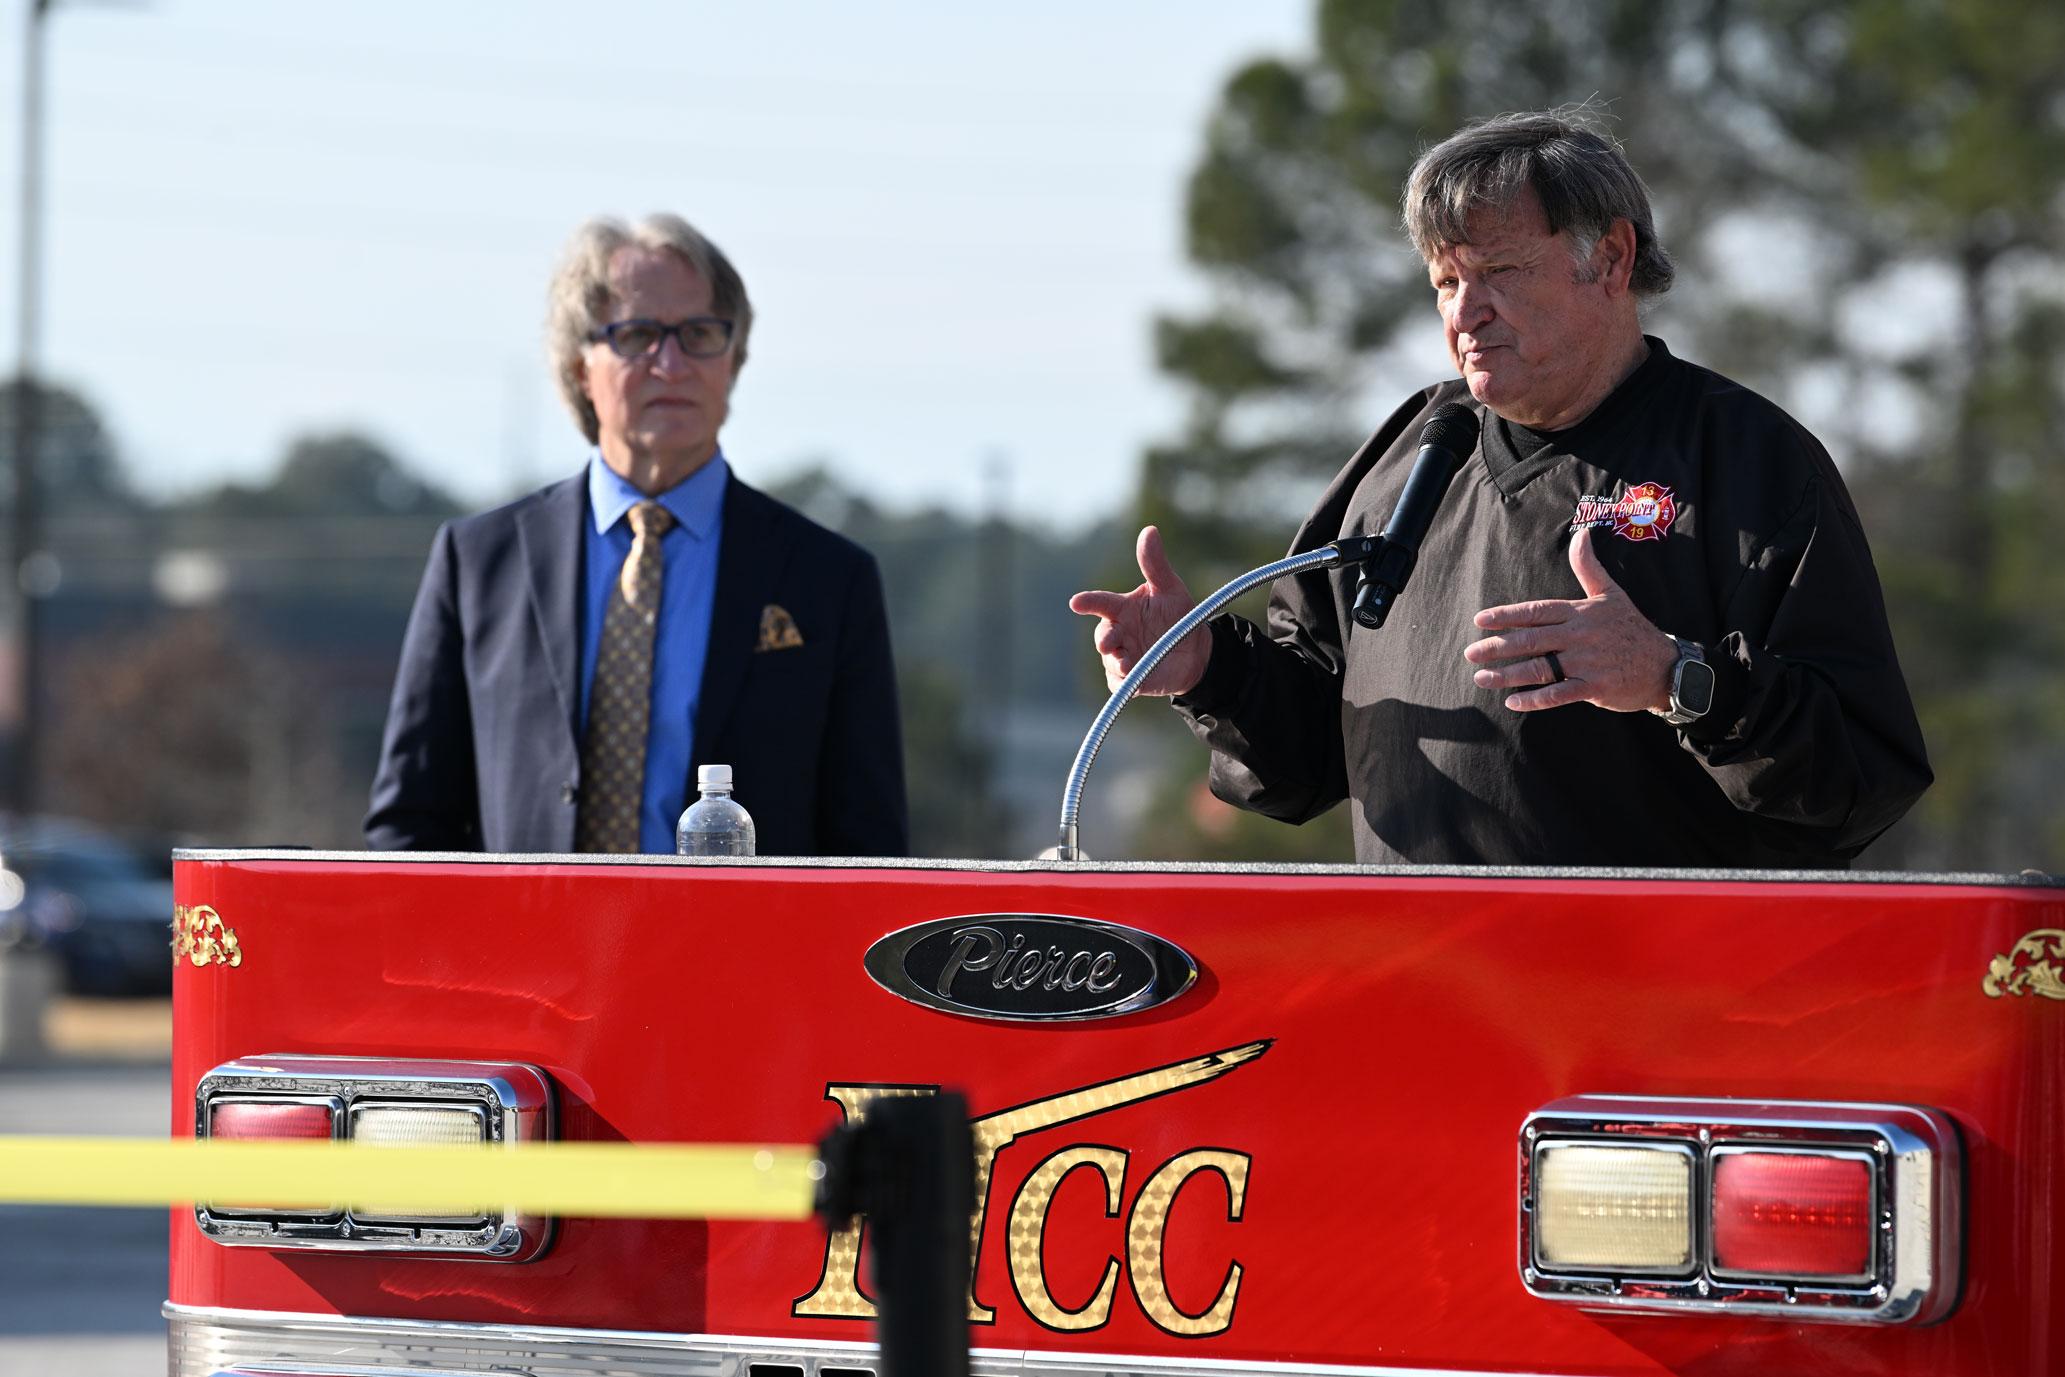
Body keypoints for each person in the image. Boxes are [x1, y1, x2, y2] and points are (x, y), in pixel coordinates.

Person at [1070, 110, 1930, 868]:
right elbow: (1307, 762)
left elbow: (1861, 779)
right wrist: (1207, 670)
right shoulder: (1406, 458)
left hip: (1664, 1011)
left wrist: (1675, 677)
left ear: (1611, 259)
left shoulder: (1745, 460)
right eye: (1446, 281)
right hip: (1428, 1000)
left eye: (1501, 272)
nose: (1464, 311)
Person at [367, 214, 908, 856]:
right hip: (525, 954)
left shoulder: (827, 579)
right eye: (639, 334)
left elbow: (869, 850)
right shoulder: (479, 564)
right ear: (579, 368)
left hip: (739, 956)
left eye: (701, 334)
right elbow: (408, 828)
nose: (672, 364)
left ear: (734, 361)